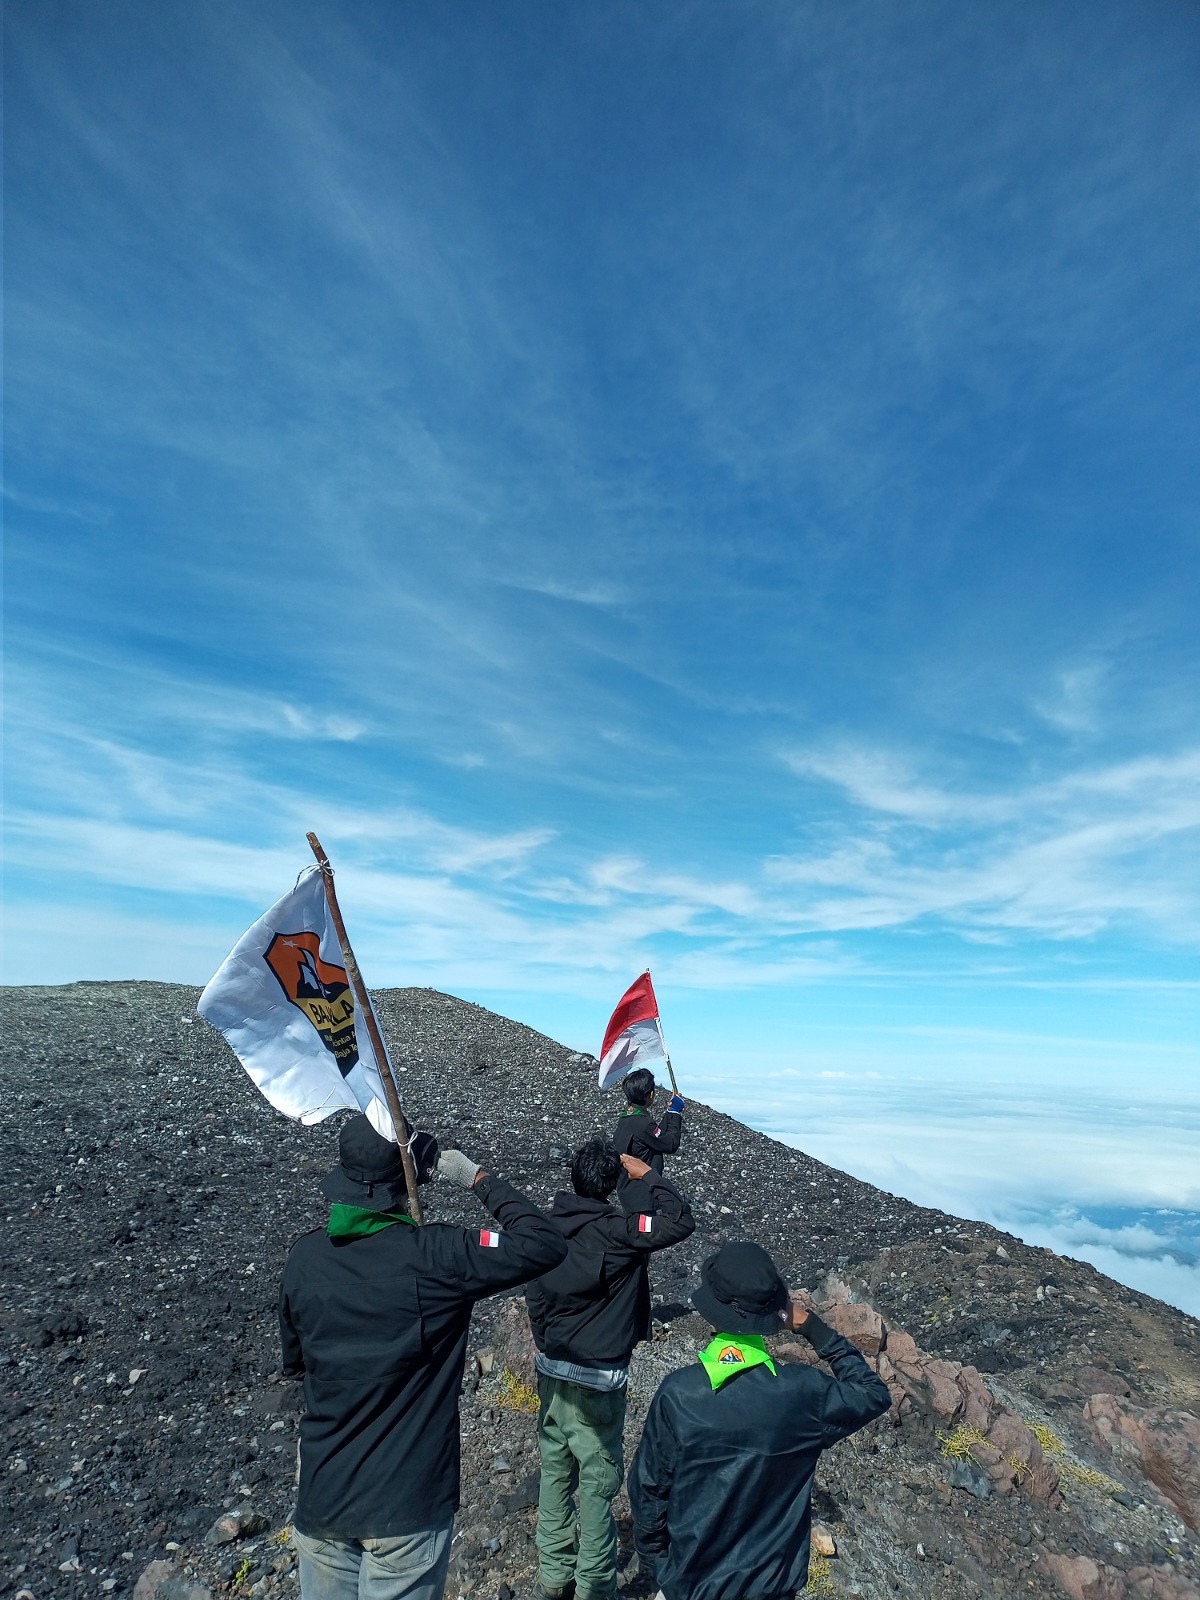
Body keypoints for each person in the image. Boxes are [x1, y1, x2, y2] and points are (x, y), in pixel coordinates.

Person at [278, 1113, 568, 1600]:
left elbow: (296, 1365)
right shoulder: (439, 1255)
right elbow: (543, 1242)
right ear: (408, 1176)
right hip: (406, 1500)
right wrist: (472, 1176)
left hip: (324, 1496)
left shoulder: (303, 1261)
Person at [628, 1240, 891, 1600]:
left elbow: (648, 1490)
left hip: (689, 1584)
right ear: (776, 1311)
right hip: (770, 1588)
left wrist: (659, 1568)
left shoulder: (679, 1393)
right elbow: (873, 1393)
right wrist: (814, 1329)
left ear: (712, 1307)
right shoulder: (804, 1393)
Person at [525, 1140, 696, 1600]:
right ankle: (595, 1587)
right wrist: (646, 1176)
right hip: (598, 1378)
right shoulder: (620, 1231)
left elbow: (535, 1295)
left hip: (553, 1369)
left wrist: (547, 1341)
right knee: (599, 1482)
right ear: (611, 1184)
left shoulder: (547, 1229)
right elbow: (680, 1220)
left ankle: (553, 1574)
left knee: (556, 1469)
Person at [611, 1068, 684, 1190]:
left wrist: (669, 1113)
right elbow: (669, 1144)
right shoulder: (643, 1123)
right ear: (650, 1094)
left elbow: (654, 1137)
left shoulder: (627, 1117)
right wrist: (675, 1113)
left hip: (627, 1188)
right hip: (642, 1192)